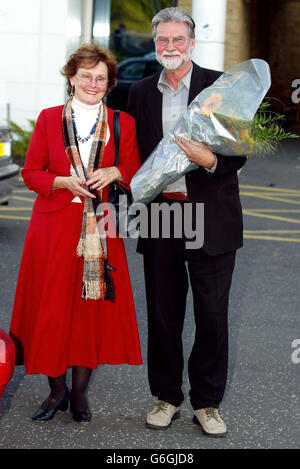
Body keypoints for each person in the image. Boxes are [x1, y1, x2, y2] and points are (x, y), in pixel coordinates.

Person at [128, 7, 247, 437]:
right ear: (155, 43)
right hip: (161, 215)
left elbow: (241, 150)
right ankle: (165, 397)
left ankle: (208, 403)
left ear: (192, 44)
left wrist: (209, 159)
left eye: (179, 40)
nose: (171, 47)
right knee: (163, 313)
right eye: (163, 40)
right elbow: (134, 156)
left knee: (212, 314)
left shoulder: (220, 86)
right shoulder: (141, 92)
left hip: (210, 216)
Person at [9, 43, 142, 423]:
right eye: (87, 76)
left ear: (109, 83)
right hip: (51, 228)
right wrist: (61, 181)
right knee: (51, 310)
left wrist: (116, 172)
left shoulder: (122, 122)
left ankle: (80, 395)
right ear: (72, 77)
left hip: (99, 227)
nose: (93, 83)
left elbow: (134, 166)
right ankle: (56, 392)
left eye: (101, 78)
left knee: (89, 311)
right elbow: (31, 172)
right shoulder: (49, 118)